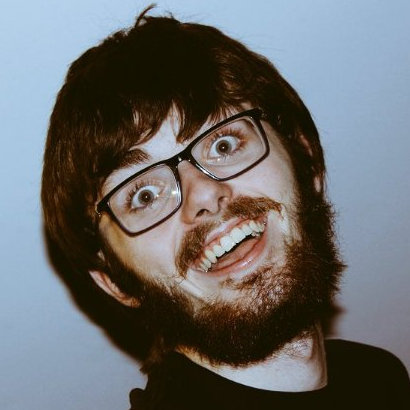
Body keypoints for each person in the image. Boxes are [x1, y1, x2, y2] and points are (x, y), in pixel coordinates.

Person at [41, 7, 409, 410]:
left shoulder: (379, 377)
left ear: (306, 162)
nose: (203, 194)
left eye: (223, 144)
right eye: (144, 195)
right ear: (116, 281)